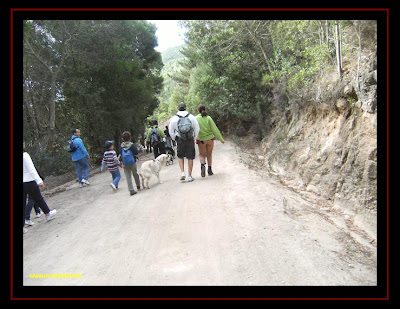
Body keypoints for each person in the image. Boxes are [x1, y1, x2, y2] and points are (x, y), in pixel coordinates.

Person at [23, 142, 56, 233]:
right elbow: (31, 169)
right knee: (39, 198)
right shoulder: (25, 155)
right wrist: (39, 180)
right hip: (29, 181)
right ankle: (48, 214)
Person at [169, 102, 200, 182]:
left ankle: (183, 173)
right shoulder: (191, 117)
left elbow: (171, 131)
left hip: (180, 139)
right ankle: (189, 176)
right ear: (185, 107)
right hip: (189, 139)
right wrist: (194, 136)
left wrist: (175, 138)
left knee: (180, 156)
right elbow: (197, 128)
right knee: (190, 157)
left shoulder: (174, 118)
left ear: (178, 108)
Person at [196, 104, 225, 177]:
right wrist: (221, 139)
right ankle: (209, 170)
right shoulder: (208, 118)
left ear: (198, 110)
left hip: (201, 140)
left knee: (202, 155)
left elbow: (194, 129)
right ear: (205, 109)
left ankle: (202, 165)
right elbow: (214, 129)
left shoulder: (196, 118)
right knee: (209, 154)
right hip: (210, 140)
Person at [120, 131, 141, 196]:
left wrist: (121, 162)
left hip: (125, 163)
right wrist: (136, 157)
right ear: (130, 138)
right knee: (135, 173)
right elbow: (136, 152)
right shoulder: (132, 145)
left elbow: (120, 154)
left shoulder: (121, 146)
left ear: (122, 139)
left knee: (128, 176)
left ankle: (131, 190)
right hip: (132, 162)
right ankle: (138, 186)